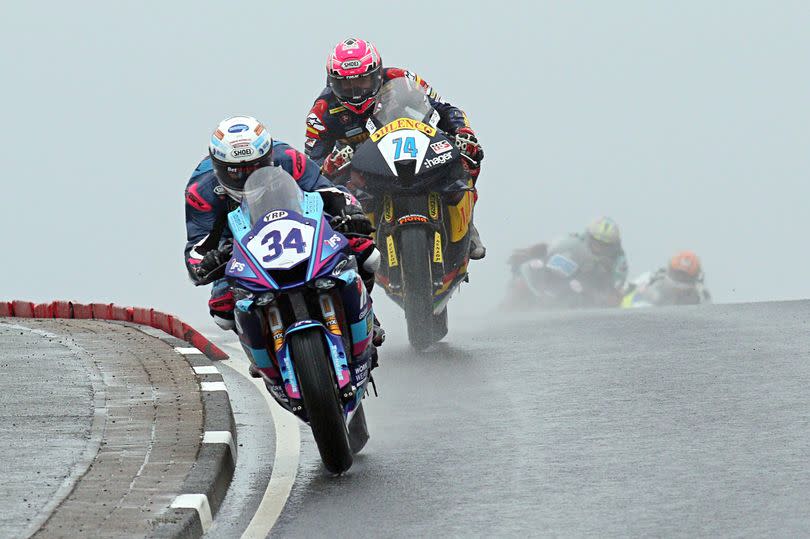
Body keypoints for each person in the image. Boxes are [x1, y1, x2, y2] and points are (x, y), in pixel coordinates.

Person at [184, 115, 384, 346]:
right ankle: (262, 349)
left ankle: (367, 313)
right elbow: (197, 247)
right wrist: (208, 261)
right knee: (223, 312)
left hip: (300, 226)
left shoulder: (289, 159)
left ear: (268, 157)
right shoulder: (201, 191)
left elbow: (327, 191)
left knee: (367, 254)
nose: (248, 176)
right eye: (237, 172)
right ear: (219, 168)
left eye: (257, 167)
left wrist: (350, 212)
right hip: (238, 247)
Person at [304, 37, 487, 260]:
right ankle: (354, 248)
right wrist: (330, 164)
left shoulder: (403, 79)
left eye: (362, 82)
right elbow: (311, 168)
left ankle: (467, 222)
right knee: (330, 199)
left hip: (413, 150)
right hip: (365, 171)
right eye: (346, 85)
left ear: (377, 73)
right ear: (331, 82)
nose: (355, 91)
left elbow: (445, 109)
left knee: (467, 155)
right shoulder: (321, 111)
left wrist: (462, 131)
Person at [505, 217, 628, 308]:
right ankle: (504, 310)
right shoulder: (572, 242)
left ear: (613, 246)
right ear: (588, 237)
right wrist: (532, 253)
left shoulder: (619, 262)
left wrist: (608, 296)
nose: (599, 248)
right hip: (557, 285)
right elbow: (551, 250)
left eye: (605, 245)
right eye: (596, 243)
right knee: (523, 282)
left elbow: (616, 290)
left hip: (589, 298)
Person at [623, 250, 711, 307]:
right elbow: (627, 289)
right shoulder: (652, 277)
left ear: (695, 277)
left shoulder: (701, 294)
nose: (679, 279)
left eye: (685, 276)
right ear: (669, 269)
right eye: (677, 273)